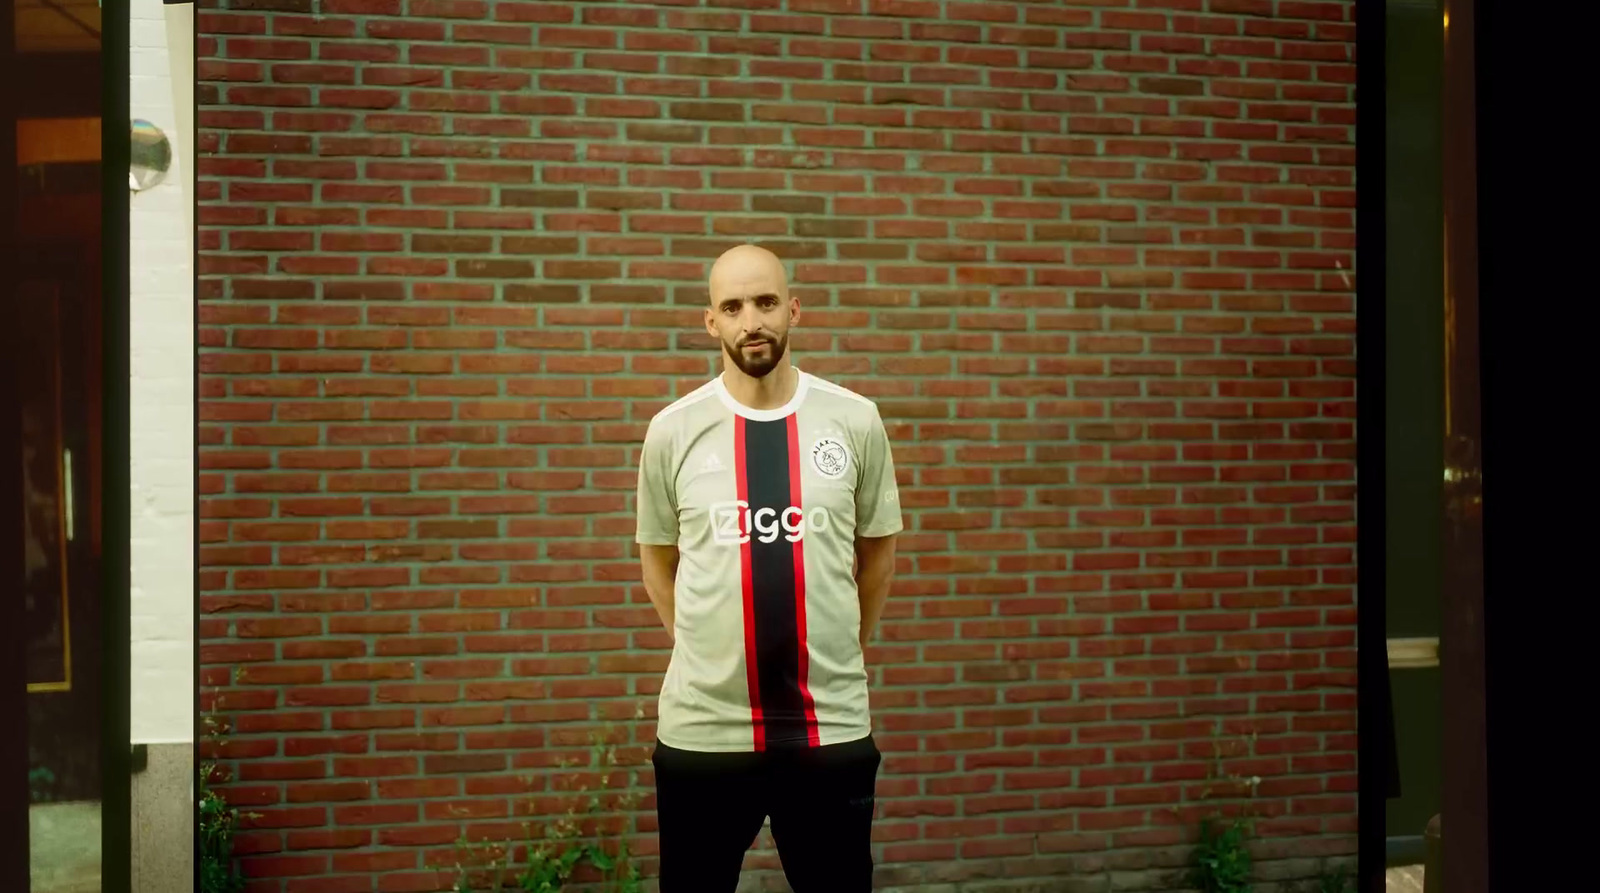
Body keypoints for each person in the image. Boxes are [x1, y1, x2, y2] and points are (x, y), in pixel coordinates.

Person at [634, 244, 903, 892]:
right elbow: (656, 557)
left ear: (794, 309)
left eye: (765, 302)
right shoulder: (673, 429)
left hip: (828, 726)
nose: (750, 319)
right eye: (732, 306)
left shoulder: (854, 420)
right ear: (711, 322)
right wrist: (699, 644)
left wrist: (841, 645)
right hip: (703, 733)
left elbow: (878, 553)